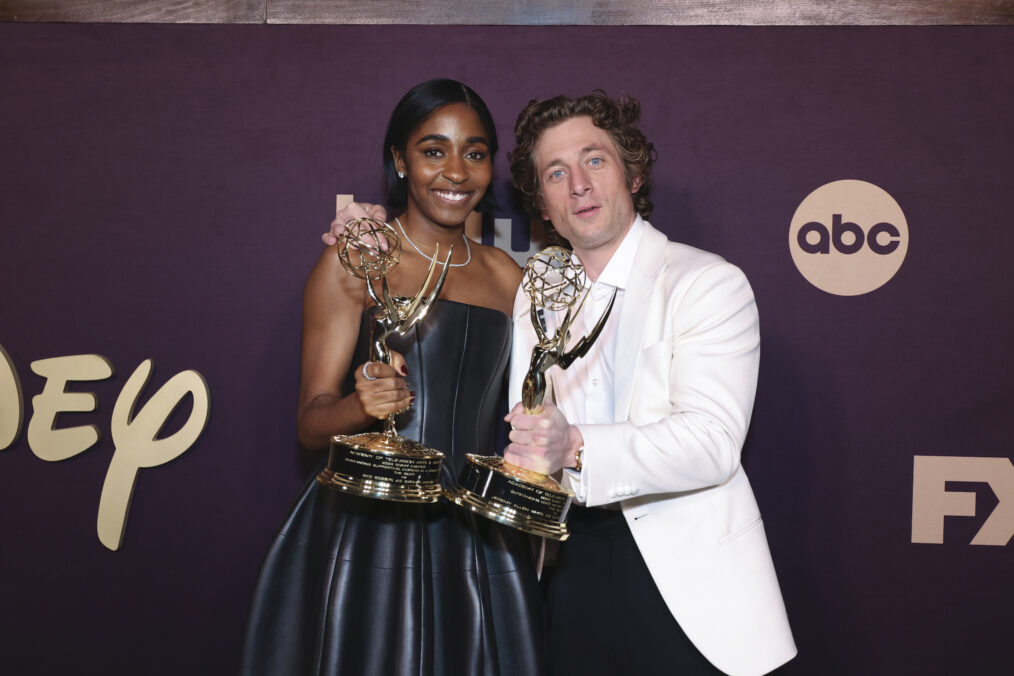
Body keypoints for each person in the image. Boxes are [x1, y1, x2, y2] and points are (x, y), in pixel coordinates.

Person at [240, 79, 545, 676]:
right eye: (434, 150)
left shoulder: (510, 279)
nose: (455, 172)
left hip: (475, 537)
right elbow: (310, 422)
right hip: (368, 529)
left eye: (475, 153)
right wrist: (362, 405)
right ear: (400, 160)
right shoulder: (354, 260)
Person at [501, 92, 796, 676]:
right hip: (566, 569)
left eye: (595, 160)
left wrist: (575, 444)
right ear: (543, 203)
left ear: (632, 173)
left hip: (686, 586)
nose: (578, 185)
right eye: (556, 173)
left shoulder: (707, 281)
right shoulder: (536, 294)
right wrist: (370, 240)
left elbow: (712, 443)